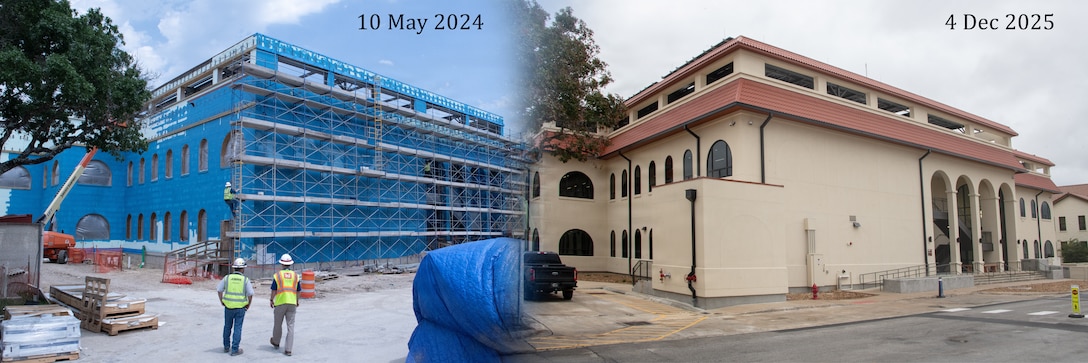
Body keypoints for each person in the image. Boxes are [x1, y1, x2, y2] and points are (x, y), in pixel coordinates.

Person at [217, 258, 254, 356]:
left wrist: (222, 301)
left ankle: (226, 346)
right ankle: (234, 349)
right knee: (238, 328)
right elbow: (250, 294)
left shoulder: (227, 278)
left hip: (228, 307)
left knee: (227, 326)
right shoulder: (245, 280)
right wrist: (248, 305)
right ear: (242, 269)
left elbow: (219, 290)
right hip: (240, 308)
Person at [270, 253, 301, 356]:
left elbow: (274, 289)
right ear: (290, 264)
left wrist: (271, 299)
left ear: (282, 264)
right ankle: (288, 349)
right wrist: (297, 301)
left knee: (278, 324)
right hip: (292, 303)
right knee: (290, 326)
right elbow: (298, 290)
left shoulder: (277, 275)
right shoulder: (296, 276)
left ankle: (276, 342)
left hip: (280, 303)